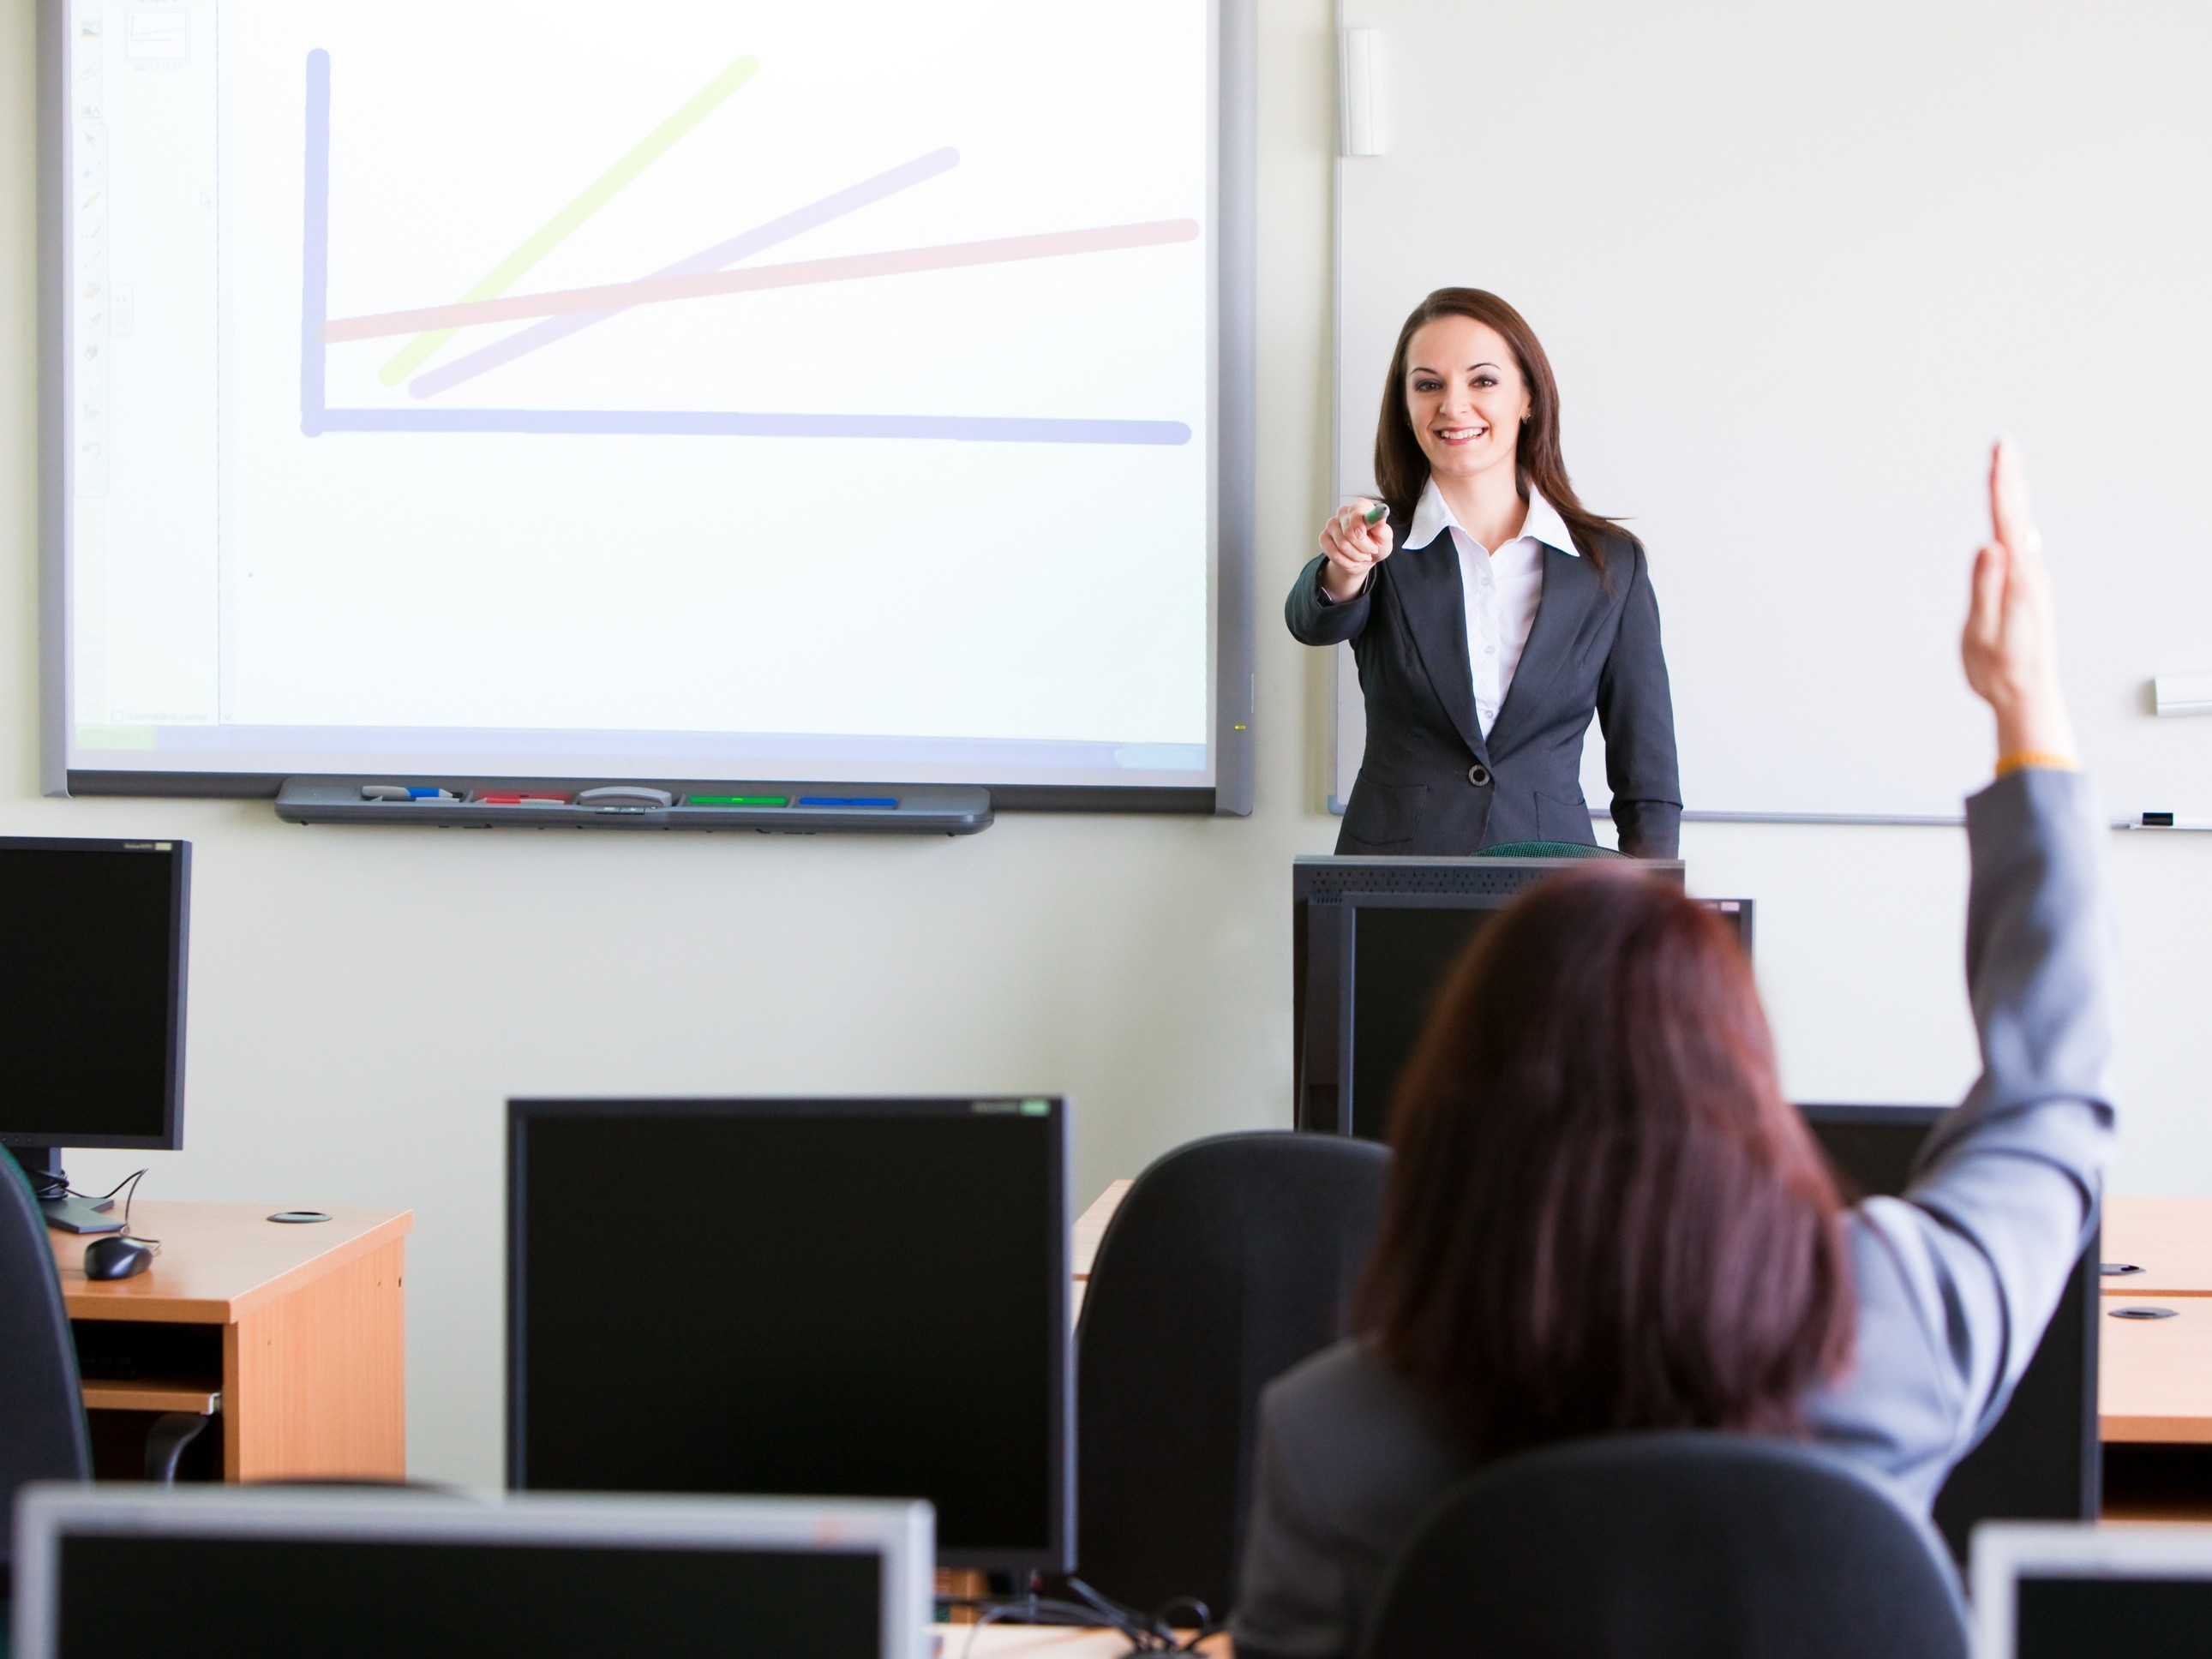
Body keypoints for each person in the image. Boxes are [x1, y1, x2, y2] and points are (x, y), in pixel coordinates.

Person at [1233, 440, 2108, 1659]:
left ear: (1448, 1108)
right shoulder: (1900, 1328)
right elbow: (2051, 1104)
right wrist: (2031, 720)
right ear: (1744, 1087)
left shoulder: (1339, 1433)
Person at [1288, 289, 1680, 857]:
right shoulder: (1376, 540)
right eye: (1427, 385)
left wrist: (1651, 913)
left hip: (1553, 892)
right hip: (1392, 884)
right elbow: (1313, 621)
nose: (1452, 405)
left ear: (1528, 398)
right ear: (1404, 407)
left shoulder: (1608, 563)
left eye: (1482, 381)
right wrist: (1344, 568)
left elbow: (1646, 775)